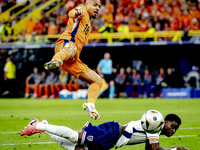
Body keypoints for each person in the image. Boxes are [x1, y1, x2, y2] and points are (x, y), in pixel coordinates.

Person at [43, 0, 102, 120]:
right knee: (71, 50)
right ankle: (56, 60)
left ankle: (90, 105)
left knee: (97, 80)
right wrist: (76, 13)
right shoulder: (82, 9)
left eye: (99, 6)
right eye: (95, 5)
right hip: (67, 45)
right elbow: (71, 12)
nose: (97, 8)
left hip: (72, 59)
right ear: (87, 4)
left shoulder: (89, 22)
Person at [21, 112, 188, 150]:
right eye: (172, 126)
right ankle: (39, 126)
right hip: (112, 133)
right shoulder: (156, 123)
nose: (173, 131)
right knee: (74, 138)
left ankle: (41, 125)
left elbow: (151, 149)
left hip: (111, 140)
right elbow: (155, 149)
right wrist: (174, 149)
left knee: (76, 149)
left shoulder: (155, 133)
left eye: (176, 129)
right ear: (165, 122)